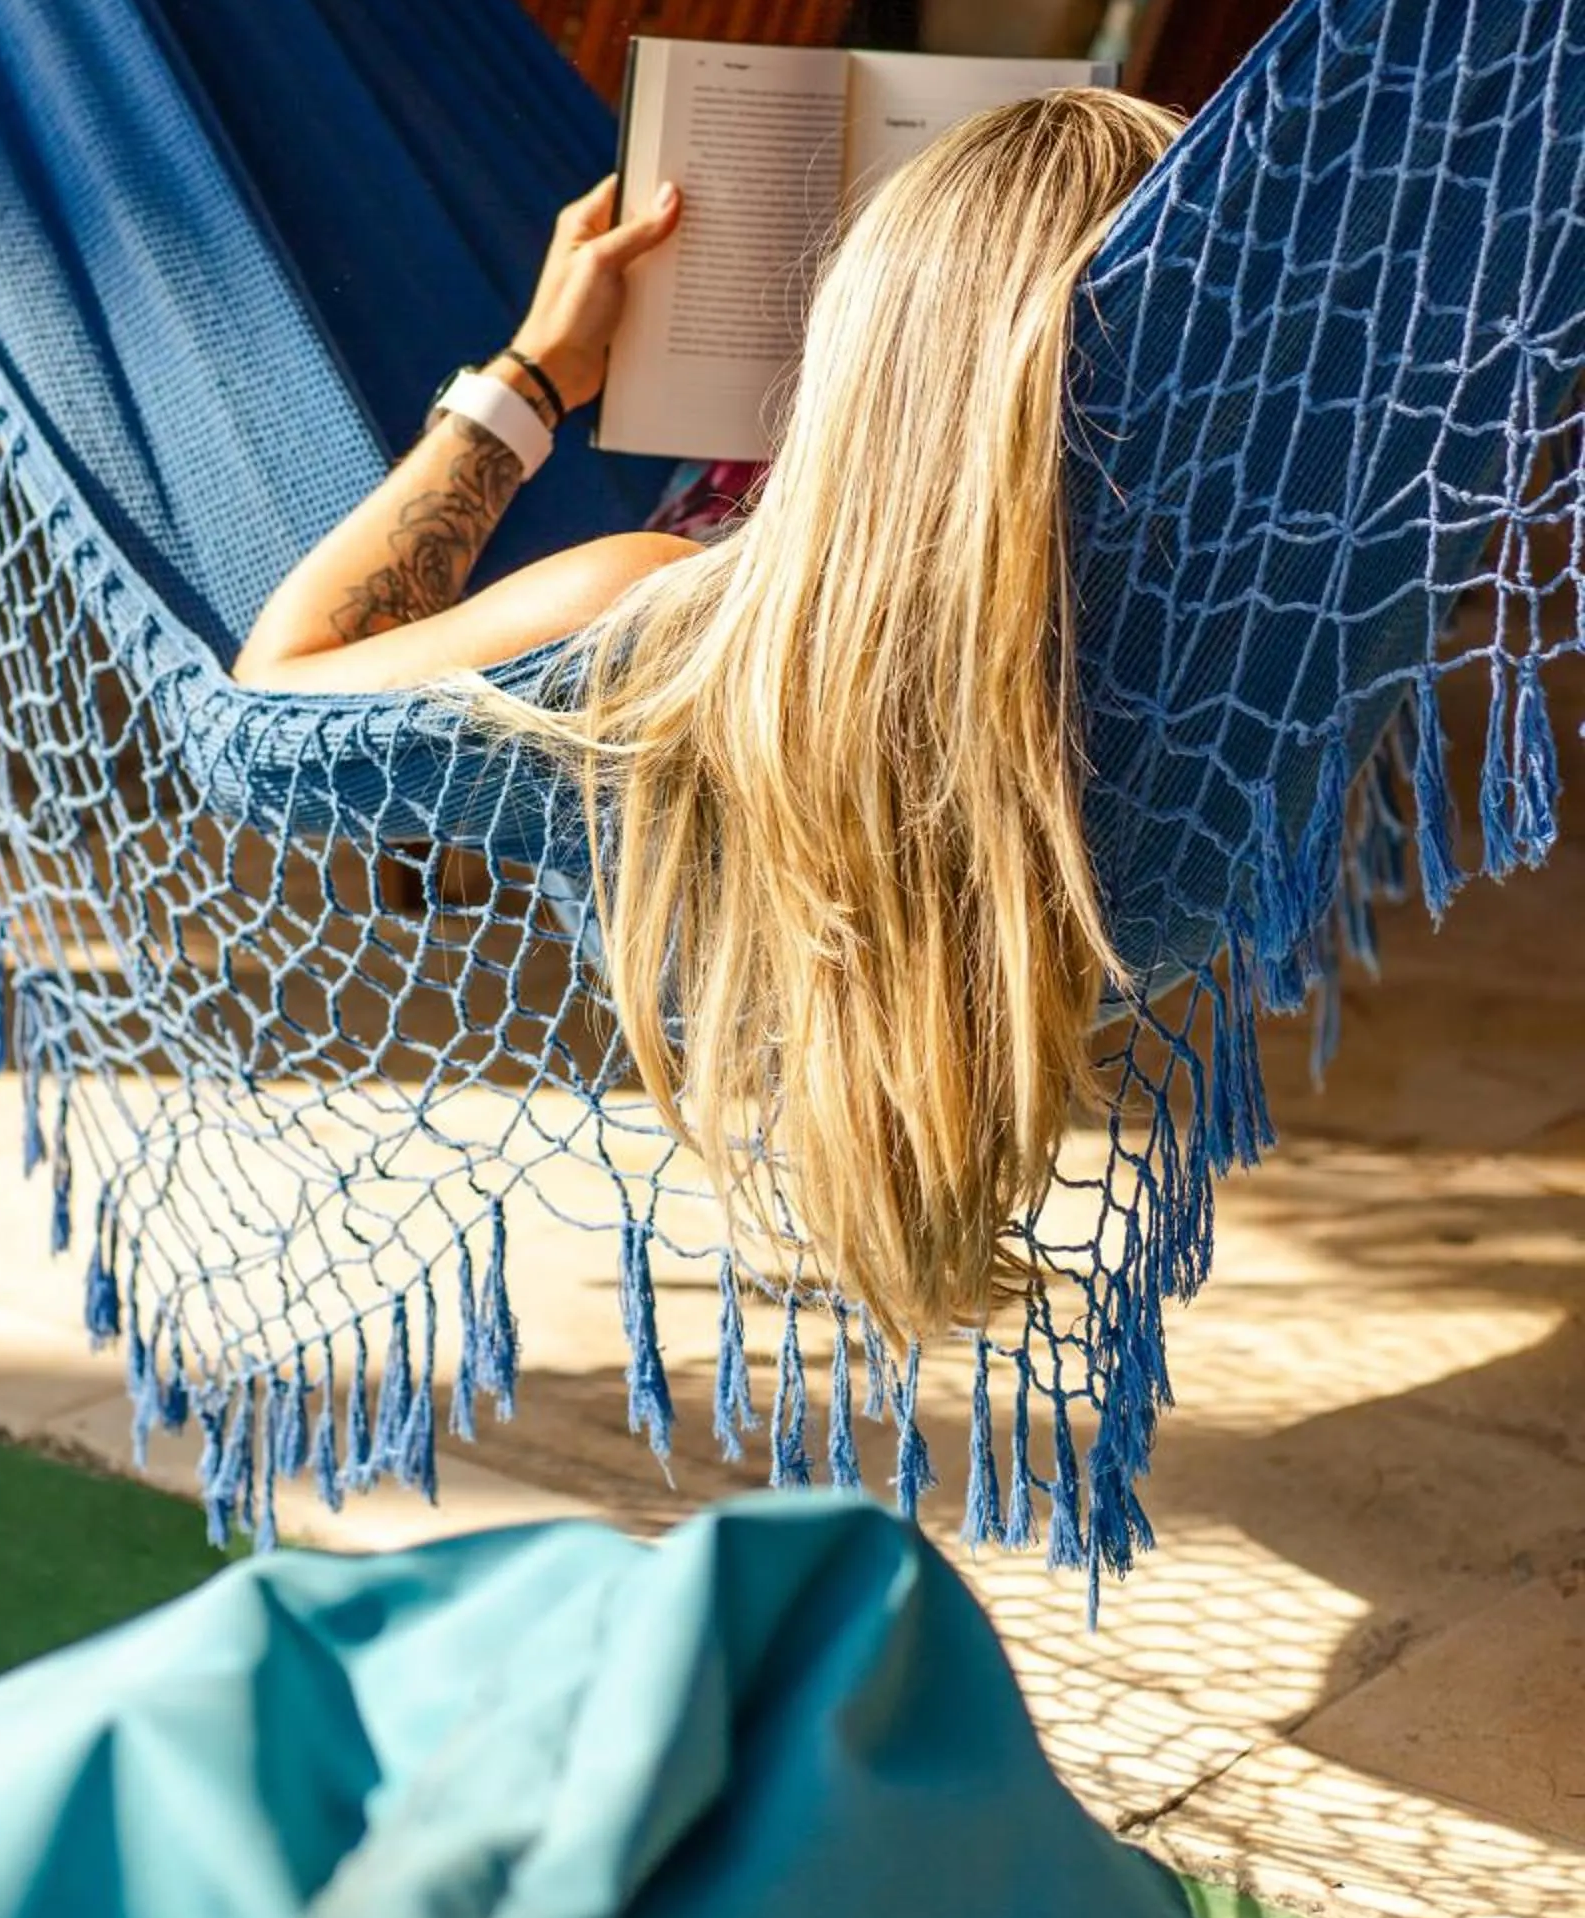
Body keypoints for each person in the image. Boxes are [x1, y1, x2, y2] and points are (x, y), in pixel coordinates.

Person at [238, 88, 1182, 1343]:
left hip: (739, 777)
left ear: (858, 355)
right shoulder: (1218, 627)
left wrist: (532, 379)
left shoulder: (650, 626)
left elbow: (274, 705)